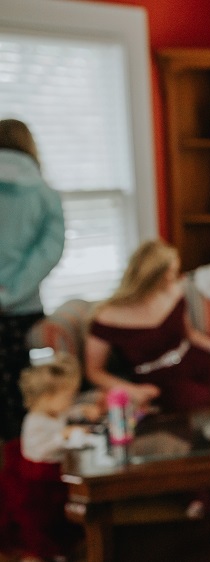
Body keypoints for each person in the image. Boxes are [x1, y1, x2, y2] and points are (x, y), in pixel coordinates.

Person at [84, 239, 210, 412]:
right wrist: (131, 390)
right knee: (198, 403)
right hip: (157, 377)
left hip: (192, 359)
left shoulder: (174, 293)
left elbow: (189, 333)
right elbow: (94, 371)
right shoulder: (107, 316)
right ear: (154, 277)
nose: (176, 278)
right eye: (172, 273)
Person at [0, 118, 65, 443]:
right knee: (23, 395)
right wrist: (12, 290)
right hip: (22, 308)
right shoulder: (44, 193)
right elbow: (49, 251)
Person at [0, 350, 96, 562]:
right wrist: (62, 436)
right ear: (47, 397)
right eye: (68, 397)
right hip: (37, 486)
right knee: (39, 534)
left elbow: (67, 414)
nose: (70, 401)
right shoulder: (34, 421)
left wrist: (82, 411)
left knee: (60, 527)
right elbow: (38, 449)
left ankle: (58, 552)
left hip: (54, 479)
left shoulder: (54, 411)